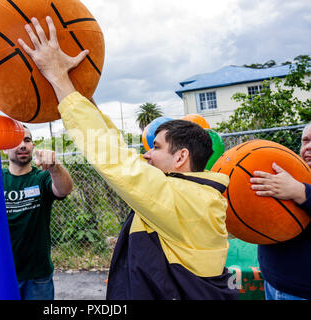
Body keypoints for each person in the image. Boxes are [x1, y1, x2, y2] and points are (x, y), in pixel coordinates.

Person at [17, 16, 239, 299]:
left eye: (156, 147)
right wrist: (77, 86)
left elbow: (115, 159)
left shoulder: (187, 200)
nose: (146, 153)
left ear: (181, 156)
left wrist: (57, 76)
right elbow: (117, 147)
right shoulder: (195, 194)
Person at [0, 125, 73, 300]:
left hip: (37, 277)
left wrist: (54, 166)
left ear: (33, 146)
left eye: (27, 140)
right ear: (5, 148)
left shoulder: (41, 178)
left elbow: (64, 189)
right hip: (1, 276)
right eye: (16, 141)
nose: (22, 145)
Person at [250, 122, 311, 300]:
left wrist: (300, 192)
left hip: (302, 291)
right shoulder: (286, 173)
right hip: (273, 281)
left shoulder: (293, 183)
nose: (308, 147)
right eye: (305, 141)